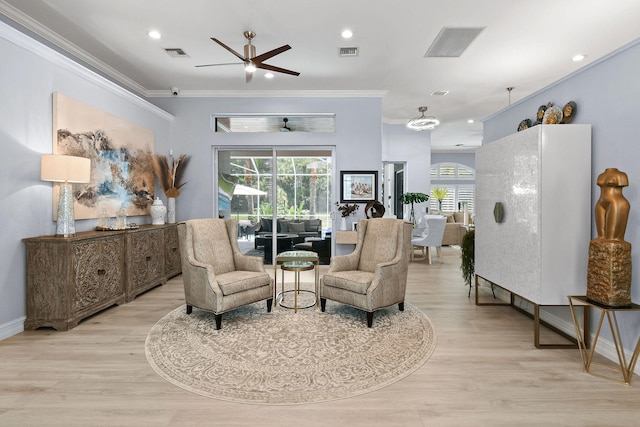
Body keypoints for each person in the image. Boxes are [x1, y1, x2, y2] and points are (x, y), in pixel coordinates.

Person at [595, 168, 630, 241]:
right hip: (600, 202)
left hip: (616, 202)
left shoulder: (621, 175)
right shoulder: (601, 175)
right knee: (601, 237)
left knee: (612, 239)